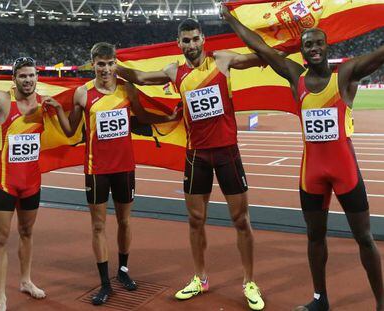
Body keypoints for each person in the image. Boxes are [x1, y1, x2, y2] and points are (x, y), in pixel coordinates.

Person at [222, 6, 384, 311]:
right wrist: (230, 18)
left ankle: (381, 303)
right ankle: (320, 299)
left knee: (364, 237)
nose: (313, 48)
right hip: (312, 172)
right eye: (307, 44)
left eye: (318, 43)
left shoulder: (345, 74)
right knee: (314, 237)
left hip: (345, 170)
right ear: (303, 51)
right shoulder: (294, 75)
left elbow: (378, 55)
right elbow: (258, 46)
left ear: (326, 46)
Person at [117, 18, 266, 310]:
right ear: (179, 43)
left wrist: (245, 29)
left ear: (204, 39)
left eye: (195, 38)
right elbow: (143, 78)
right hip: (196, 155)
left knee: (241, 220)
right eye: (185, 40)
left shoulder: (221, 61)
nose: (191, 45)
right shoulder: (175, 71)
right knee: (196, 220)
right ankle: (200, 278)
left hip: (227, 154)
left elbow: (258, 57)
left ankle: (249, 281)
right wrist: (112, 65)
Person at [44, 42, 180, 306]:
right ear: (92, 63)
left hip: (124, 167)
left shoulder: (127, 88)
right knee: (98, 225)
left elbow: (141, 117)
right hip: (97, 170)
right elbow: (72, 131)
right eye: (101, 64)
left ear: (116, 64)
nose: (106, 69)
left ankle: (123, 271)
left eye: (110, 64)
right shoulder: (82, 94)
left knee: (125, 222)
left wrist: (168, 119)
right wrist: (60, 110)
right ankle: (105, 283)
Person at [0, 57, 46, 311]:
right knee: (0, 237)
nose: (28, 80)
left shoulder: (45, 104)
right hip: (6, 179)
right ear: (14, 78)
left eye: (32, 75)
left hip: (32, 180)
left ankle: (26, 280)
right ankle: (1, 296)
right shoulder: (3, 99)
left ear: (37, 77)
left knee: (27, 232)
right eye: (23, 76)